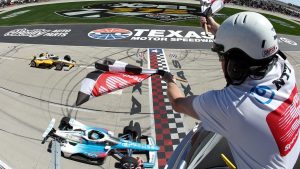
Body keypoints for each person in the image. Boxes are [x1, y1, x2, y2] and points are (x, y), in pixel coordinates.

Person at [163, 12, 299, 169]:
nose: (222, 62)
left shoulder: (231, 106)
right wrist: (216, 28)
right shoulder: (283, 66)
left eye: (222, 57)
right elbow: (252, 44)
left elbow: (178, 103)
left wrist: (169, 80)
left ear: (235, 66)